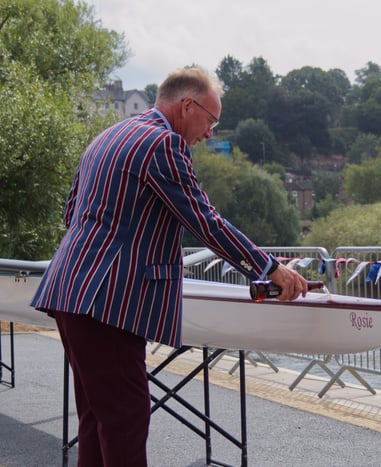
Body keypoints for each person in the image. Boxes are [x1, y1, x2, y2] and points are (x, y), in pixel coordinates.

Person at [31, 66, 309, 467]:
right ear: (187, 105)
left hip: (69, 290)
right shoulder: (162, 143)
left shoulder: (108, 135)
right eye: (211, 120)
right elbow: (205, 221)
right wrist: (268, 269)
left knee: (97, 416)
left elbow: (71, 212)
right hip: (107, 300)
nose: (210, 133)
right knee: (126, 418)